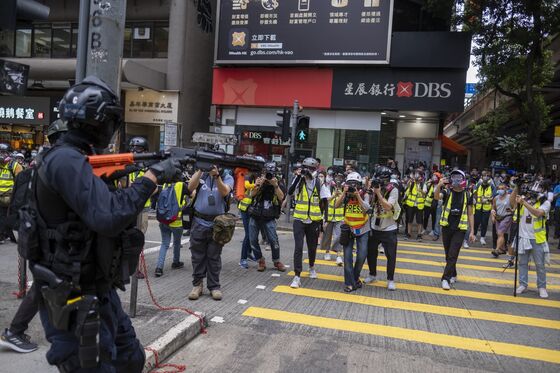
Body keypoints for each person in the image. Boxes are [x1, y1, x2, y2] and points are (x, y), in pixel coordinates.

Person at [28, 76, 182, 371]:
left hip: (96, 291)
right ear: (94, 120)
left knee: (130, 359)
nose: (112, 128)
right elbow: (108, 216)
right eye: (110, 120)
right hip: (73, 298)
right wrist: (151, 178)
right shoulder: (65, 160)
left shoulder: (76, 159)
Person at [0, 121, 69, 354]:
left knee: (43, 287)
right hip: (45, 241)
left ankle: (24, 331)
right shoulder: (56, 164)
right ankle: (15, 331)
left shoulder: (41, 162)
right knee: (44, 286)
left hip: (33, 236)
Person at [187, 165, 234, 301]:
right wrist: (201, 169)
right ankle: (197, 285)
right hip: (199, 222)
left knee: (214, 257)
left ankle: (214, 286)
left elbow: (224, 192)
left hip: (218, 225)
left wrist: (216, 176)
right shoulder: (201, 175)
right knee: (197, 256)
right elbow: (190, 187)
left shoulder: (227, 177)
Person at [434, 169, 476, 290]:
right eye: (454, 177)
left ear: (463, 180)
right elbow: (436, 197)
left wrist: (472, 231)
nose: (456, 180)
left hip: (460, 229)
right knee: (448, 254)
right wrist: (439, 185)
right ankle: (453, 273)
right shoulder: (447, 191)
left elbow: (470, 214)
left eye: (459, 178)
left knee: (453, 254)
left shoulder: (468, 194)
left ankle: (445, 279)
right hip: (447, 227)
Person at [288, 157, 325, 289]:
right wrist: (298, 177)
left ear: (315, 170)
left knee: (312, 247)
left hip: (313, 220)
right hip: (299, 219)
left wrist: (323, 219)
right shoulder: (299, 180)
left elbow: (324, 200)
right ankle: (297, 276)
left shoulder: (319, 183)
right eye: (306, 168)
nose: (308, 171)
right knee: (298, 247)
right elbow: (290, 191)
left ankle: (311, 266)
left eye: (311, 169)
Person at [511, 179, 551, 298]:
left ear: (543, 190)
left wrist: (524, 203)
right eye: (534, 185)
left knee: (540, 264)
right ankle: (523, 284)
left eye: (539, 186)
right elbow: (512, 203)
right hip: (523, 236)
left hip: (537, 238)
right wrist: (516, 187)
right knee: (522, 263)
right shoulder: (525, 198)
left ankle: (542, 287)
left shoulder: (545, 202)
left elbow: (538, 213)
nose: (535, 188)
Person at [364, 167, 400, 291]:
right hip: (375, 226)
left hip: (389, 227)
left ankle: (390, 280)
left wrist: (378, 193)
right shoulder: (373, 189)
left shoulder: (393, 190)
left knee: (391, 255)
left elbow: (388, 206)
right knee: (371, 252)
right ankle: (372, 275)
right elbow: (368, 205)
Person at [247, 162, 286, 272]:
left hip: (269, 216)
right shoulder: (259, 180)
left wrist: (275, 185)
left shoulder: (277, 182)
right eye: (266, 173)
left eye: (270, 173)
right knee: (253, 240)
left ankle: (276, 261)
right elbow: (251, 194)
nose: (268, 175)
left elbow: (281, 197)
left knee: (273, 240)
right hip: (255, 214)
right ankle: (260, 260)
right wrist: (258, 184)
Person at [336, 172, 371, 292]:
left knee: (362, 255)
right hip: (348, 229)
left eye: (355, 184)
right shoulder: (345, 195)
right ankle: (349, 283)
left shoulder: (365, 194)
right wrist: (344, 193)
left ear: (359, 185)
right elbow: (336, 205)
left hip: (363, 229)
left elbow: (367, 208)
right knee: (347, 257)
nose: (352, 187)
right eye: (350, 184)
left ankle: (355, 278)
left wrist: (358, 196)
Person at [125, 136, 152, 279]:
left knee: (139, 239)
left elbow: (154, 188)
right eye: (133, 148)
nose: (135, 151)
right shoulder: (126, 166)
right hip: (128, 207)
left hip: (142, 209)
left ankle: (136, 268)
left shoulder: (148, 167)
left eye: (139, 149)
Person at [154, 181, 188, 277]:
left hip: (164, 220)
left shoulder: (165, 184)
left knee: (164, 244)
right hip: (176, 222)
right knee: (177, 243)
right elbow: (193, 194)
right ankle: (175, 262)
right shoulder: (182, 185)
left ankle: (159, 268)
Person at [321, 169, 344, 266]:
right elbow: (326, 201)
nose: (338, 179)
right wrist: (334, 195)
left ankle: (338, 255)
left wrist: (341, 194)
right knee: (327, 235)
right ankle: (327, 252)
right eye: (336, 177)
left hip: (339, 217)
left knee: (338, 236)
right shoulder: (327, 188)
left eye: (340, 177)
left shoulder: (344, 189)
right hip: (329, 216)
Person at [0, 143, 23, 243]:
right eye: (0, 152)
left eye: (4, 152)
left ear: (9, 154)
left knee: (5, 217)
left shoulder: (15, 166)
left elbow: (21, 184)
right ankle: (6, 234)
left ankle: (3, 235)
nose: (2, 155)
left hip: (9, 198)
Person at [235, 166, 255, 269]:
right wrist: (256, 185)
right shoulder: (246, 175)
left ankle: (248, 253)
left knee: (252, 234)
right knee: (248, 234)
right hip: (245, 209)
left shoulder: (255, 176)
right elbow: (246, 185)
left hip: (253, 210)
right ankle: (242, 259)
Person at [472, 172, 495, 246]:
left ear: (490, 178)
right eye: (484, 176)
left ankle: (482, 237)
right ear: (481, 177)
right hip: (478, 207)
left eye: (487, 176)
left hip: (486, 208)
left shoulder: (492, 186)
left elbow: (494, 196)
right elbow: (474, 192)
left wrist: (487, 200)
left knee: (484, 223)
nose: (486, 177)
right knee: (476, 222)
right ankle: (474, 235)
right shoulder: (478, 184)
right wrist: (474, 199)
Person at [490, 183, 513, 257]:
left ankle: (496, 250)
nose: (501, 190)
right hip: (498, 217)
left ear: (506, 189)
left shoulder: (510, 197)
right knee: (499, 234)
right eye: (499, 188)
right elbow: (493, 208)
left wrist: (512, 210)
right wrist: (493, 215)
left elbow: (515, 207)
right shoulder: (496, 198)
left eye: (502, 188)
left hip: (507, 217)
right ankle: (502, 249)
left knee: (500, 233)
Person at [403, 169, 426, 240]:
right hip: (411, 205)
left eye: (418, 174)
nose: (417, 176)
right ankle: (408, 234)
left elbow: (425, 193)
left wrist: (421, 190)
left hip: (419, 206)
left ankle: (419, 235)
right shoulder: (412, 183)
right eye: (416, 174)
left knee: (419, 221)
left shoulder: (423, 184)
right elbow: (406, 186)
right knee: (409, 220)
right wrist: (410, 180)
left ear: (421, 177)